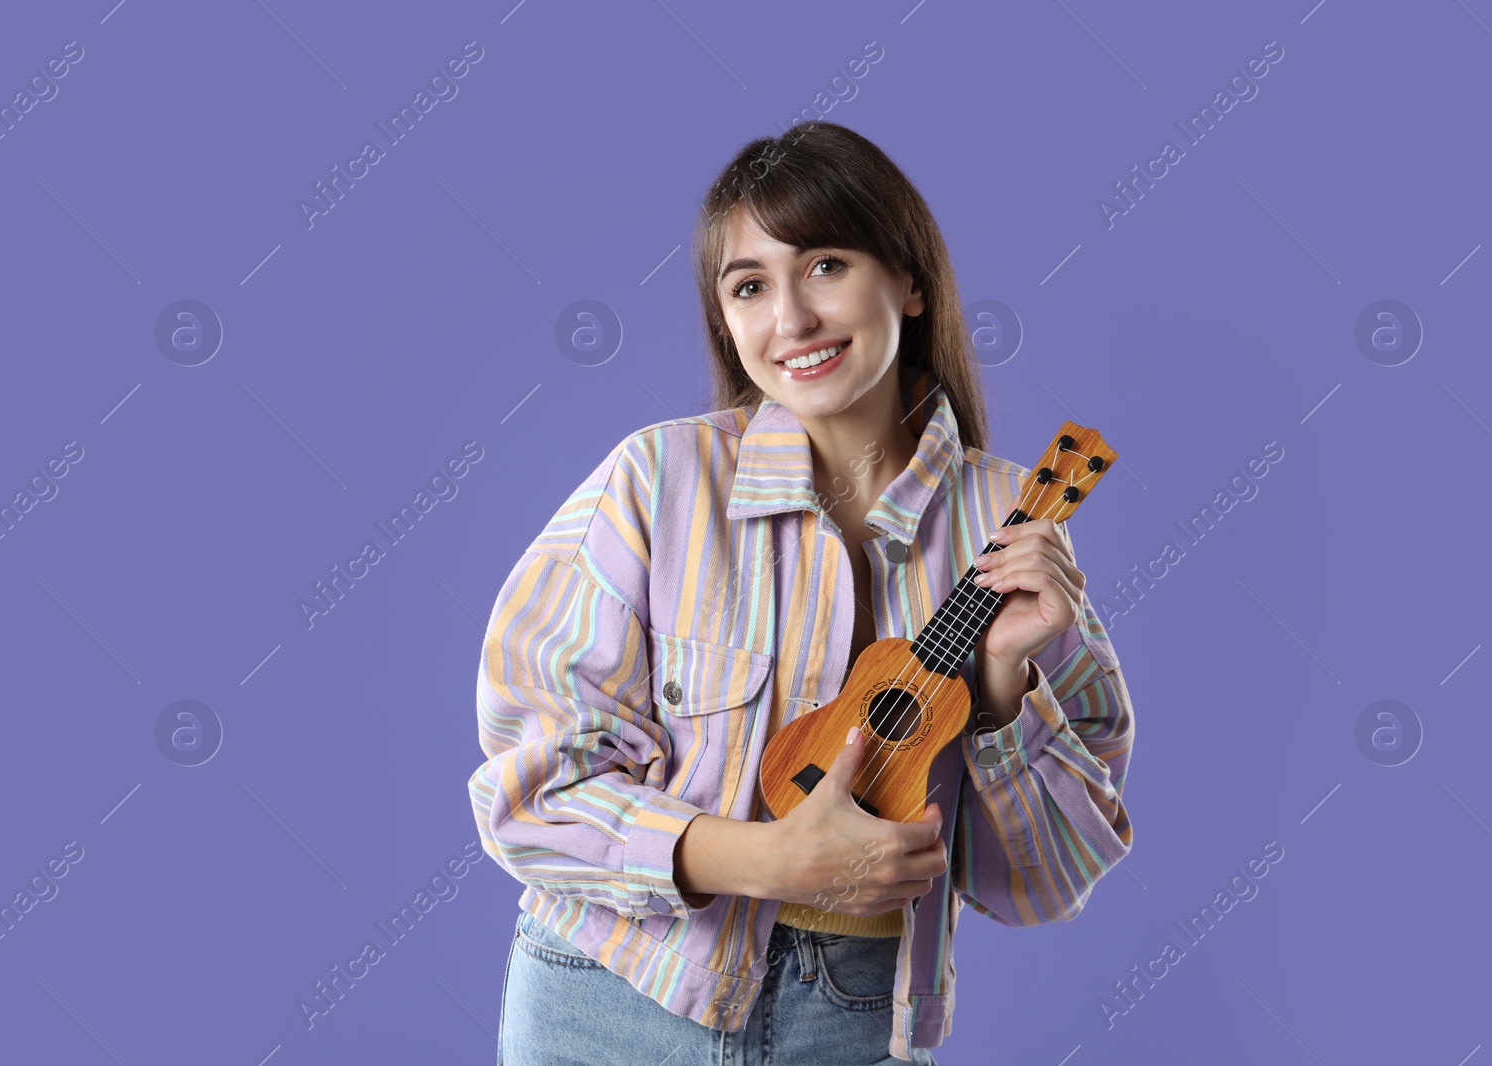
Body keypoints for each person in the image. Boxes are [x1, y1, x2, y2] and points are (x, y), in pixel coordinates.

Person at [469, 120, 1136, 1066]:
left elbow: (1049, 884)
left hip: (856, 1018)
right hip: (612, 996)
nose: (791, 319)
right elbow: (528, 800)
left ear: (908, 281)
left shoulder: (1011, 520)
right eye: (749, 285)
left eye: (825, 264)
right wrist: (769, 861)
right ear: (725, 321)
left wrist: (1000, 693)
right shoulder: (655, 483)